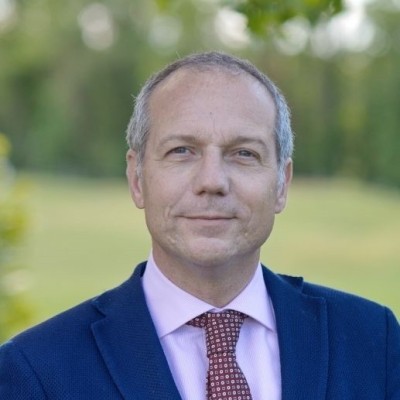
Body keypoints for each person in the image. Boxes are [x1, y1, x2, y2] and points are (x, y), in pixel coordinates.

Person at [0, 51, 399, 400]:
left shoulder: (373, 340)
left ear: (282, 183)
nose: (212, 181)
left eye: (244, 153)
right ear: (137, 178)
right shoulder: (36, 371)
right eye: (182, 151)